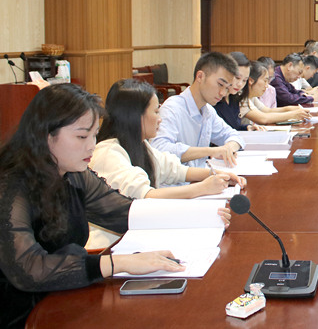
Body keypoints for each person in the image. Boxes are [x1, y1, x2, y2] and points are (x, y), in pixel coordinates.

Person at [0, 84, 198, 328]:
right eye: (82, 136)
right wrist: (118, 263)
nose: (91, 146)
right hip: (21, 314)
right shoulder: (10, 185)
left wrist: (201, 217)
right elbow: (29, 269)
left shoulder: (73, 173)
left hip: (64, 296)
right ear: (46, 135)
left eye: (94, 135)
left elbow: (125, 213)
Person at [88, 79, 245, 248]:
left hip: (140, 235)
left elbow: (172, 169)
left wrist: (213, 175)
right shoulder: (108, 152)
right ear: (135, 115)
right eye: (156, 111)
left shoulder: (140, 144)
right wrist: (202, 188)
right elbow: (145, 197)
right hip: (110, 247)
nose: (160, 119)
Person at [151, 52, 244, 168]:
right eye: (220, 84)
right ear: (200, 76)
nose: (223, 93)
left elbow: (234, 136)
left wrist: (228, 148)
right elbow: (159, 149)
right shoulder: (173, 108)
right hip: (178, 179)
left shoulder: (208, 111)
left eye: (227, 88)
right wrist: (210, 151)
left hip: (201, 177)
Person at [240, 61, 310, 125]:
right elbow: (263, 118)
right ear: (251, 81)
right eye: (265, 81)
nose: (267, 86)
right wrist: (293, 114)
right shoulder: (241, 97)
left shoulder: (251, 96)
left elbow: (267, 110)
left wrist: (294, 109)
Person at [212, 51, 252, 131]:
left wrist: (247, 127)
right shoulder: (214, 99)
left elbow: (234, 127)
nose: (240, 84)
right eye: (237, 78)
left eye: (244, 80)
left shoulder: (233, 98)